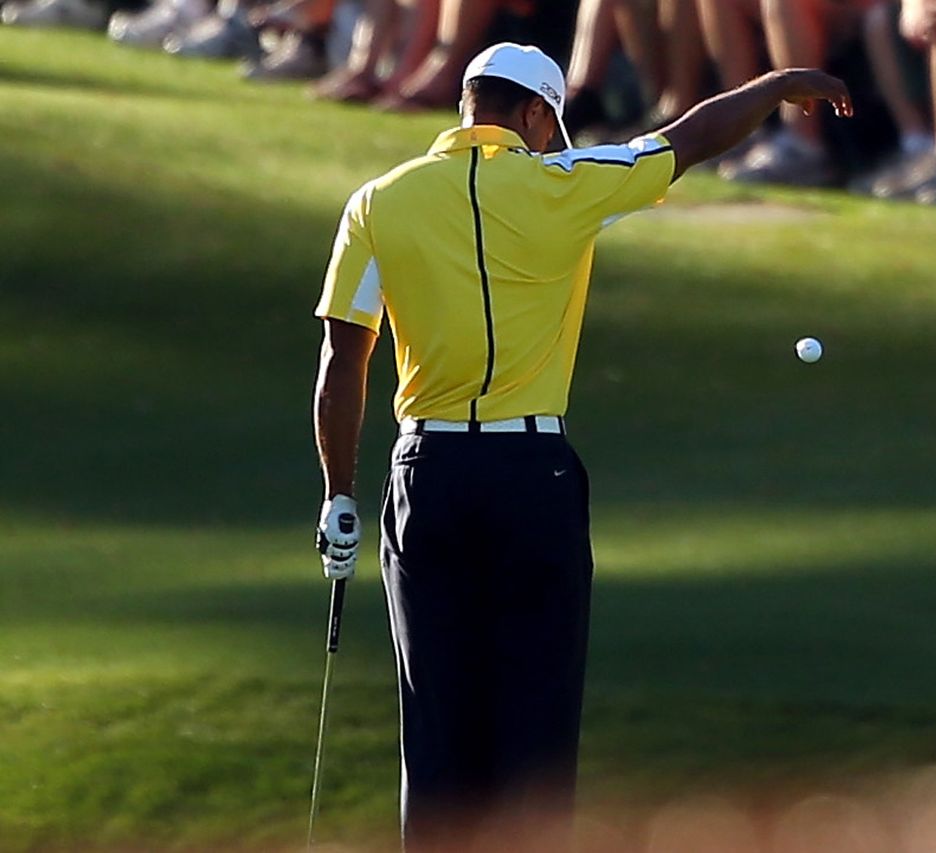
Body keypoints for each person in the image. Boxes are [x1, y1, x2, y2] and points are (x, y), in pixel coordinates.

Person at [310, 41, 851, 851]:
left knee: (437, 728)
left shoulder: (376, 202)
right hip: (534, 474)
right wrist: (775, 85)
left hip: (427, 478)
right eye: (554, 125)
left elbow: (342, 355)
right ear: (532, 113)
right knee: (535, 724)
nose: (559, 142)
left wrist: (338, 493)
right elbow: (690, 138)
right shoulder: (563, 184)